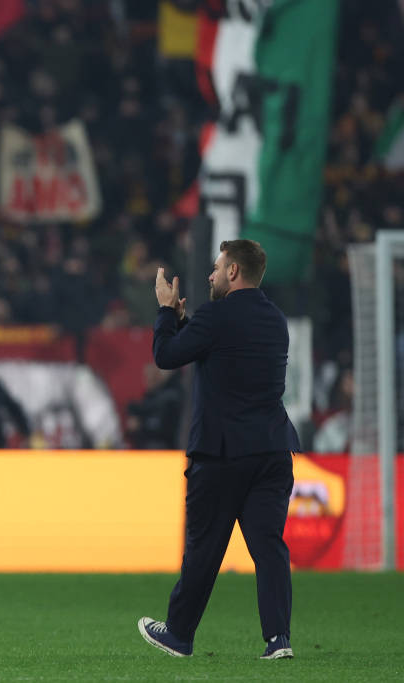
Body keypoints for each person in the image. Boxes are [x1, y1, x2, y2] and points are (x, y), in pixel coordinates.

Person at [137, 240, 300, 660]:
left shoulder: (216, 316)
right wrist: (185, 321)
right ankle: (278, 639)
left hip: (221, 453)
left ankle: (178, 634)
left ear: (233, 271)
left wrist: (166, 313)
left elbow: (166, 356)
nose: (210, 275)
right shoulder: (276, 320)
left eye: (216, 267)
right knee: (269, 546)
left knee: (204, 549)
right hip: (272, 450)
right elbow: (227, 348)